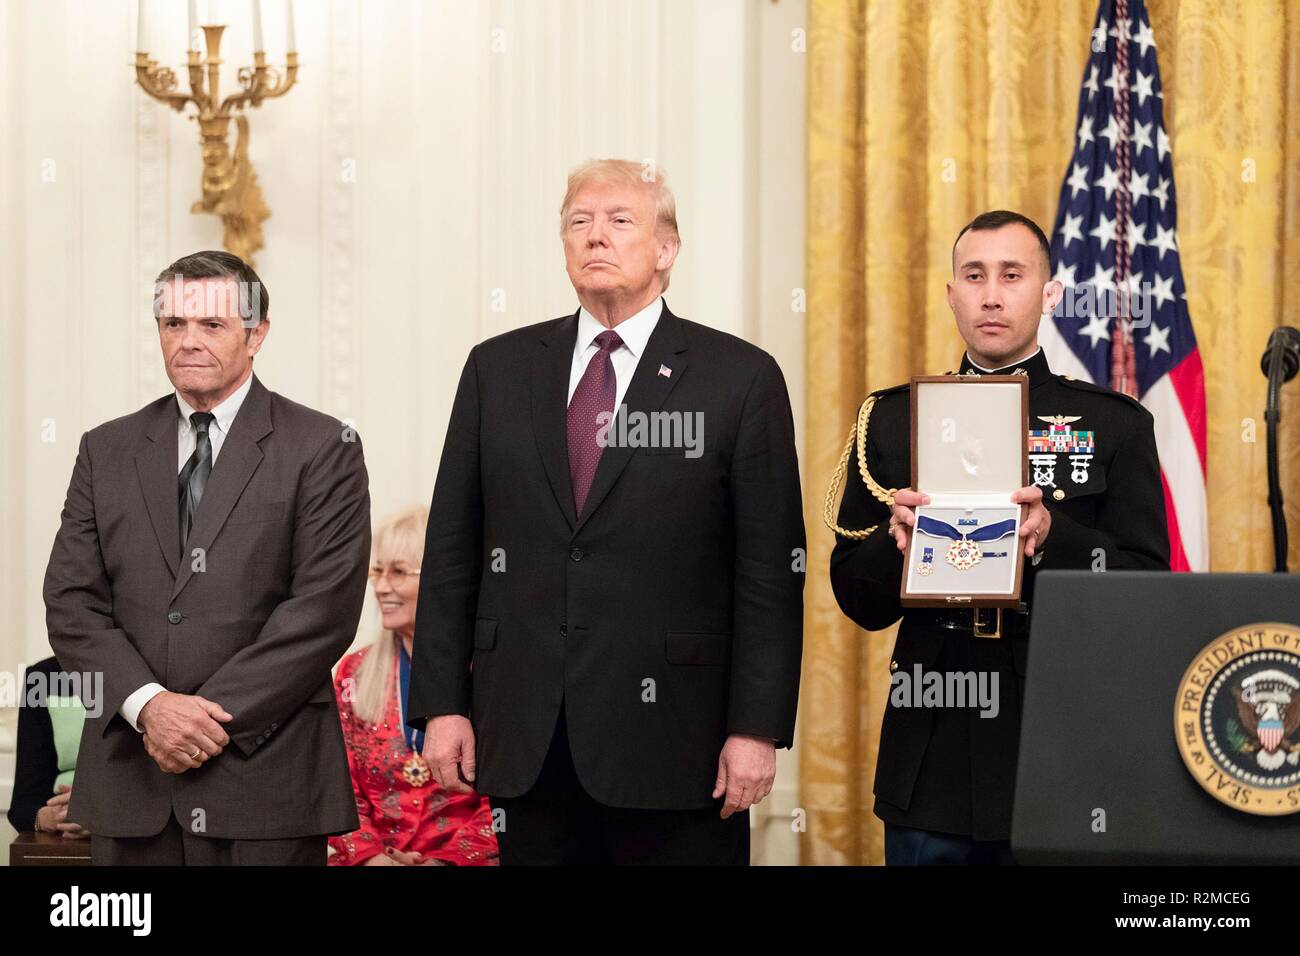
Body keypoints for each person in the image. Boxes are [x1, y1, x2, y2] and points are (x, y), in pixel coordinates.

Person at [407, 159, 805, 865]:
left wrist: (758, 728)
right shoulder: (496, 369)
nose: (596, 237)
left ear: (666, 250)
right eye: (578, 223)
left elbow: (769, 576)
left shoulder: (738, 378)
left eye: (620, 221)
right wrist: (442, 705)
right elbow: (451, 552)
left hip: (682, 746)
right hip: (527, 738)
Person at [827, 210, 1170, 865]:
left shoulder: (1111, 424)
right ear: (950, 293)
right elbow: (857, 599)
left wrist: (1053, 537)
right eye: (974, 275)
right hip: (932, 754)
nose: (990, 294)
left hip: (1062, 747)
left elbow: (1148, 588)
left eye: (1012, 275)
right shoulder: (894, 419)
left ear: (1049, 294)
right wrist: (892, 546)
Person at [44, 250, 371, 865]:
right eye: (174, 324)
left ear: (257, 334)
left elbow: (321, 612)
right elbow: (70, 602)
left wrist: (201, 722)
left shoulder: (324, 447)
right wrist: (150, 708)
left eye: (212, 325)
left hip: (266, 781)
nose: (188, 341)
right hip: (131, 779)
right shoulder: (105, 449)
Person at [329, 507, 498, 866]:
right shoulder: (352, 673)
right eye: (377, 571)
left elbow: (504, 797)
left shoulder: (488, 672)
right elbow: (338, 787)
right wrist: (373, 858)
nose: (382, 587)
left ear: (440, 580)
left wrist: (446, 862)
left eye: (399, 572)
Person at [7, 656, 88, 840]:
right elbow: (23, 807)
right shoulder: (43, 677)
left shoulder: (153, 677)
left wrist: (105, 815)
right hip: (63, 838)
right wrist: (51, 817)